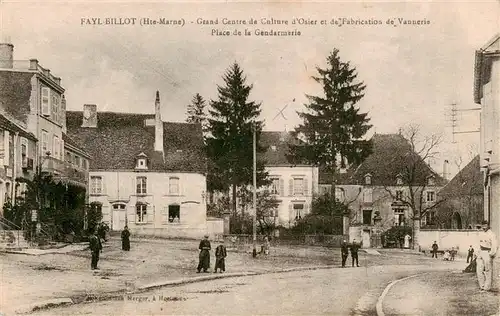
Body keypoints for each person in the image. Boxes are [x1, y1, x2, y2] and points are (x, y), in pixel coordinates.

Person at [477, 220, 498, 291]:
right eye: (483, 225)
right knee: (479, 270)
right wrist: (477, 252)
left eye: (485, 225)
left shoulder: (491, 234)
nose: (484, 227)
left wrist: (491, 253)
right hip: (481, 252)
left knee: (488, 270)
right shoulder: (481, 233)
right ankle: (482, 286)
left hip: (487, 252)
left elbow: (494, 245)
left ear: (488, 226)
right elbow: (478, 243)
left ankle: (487, 287)